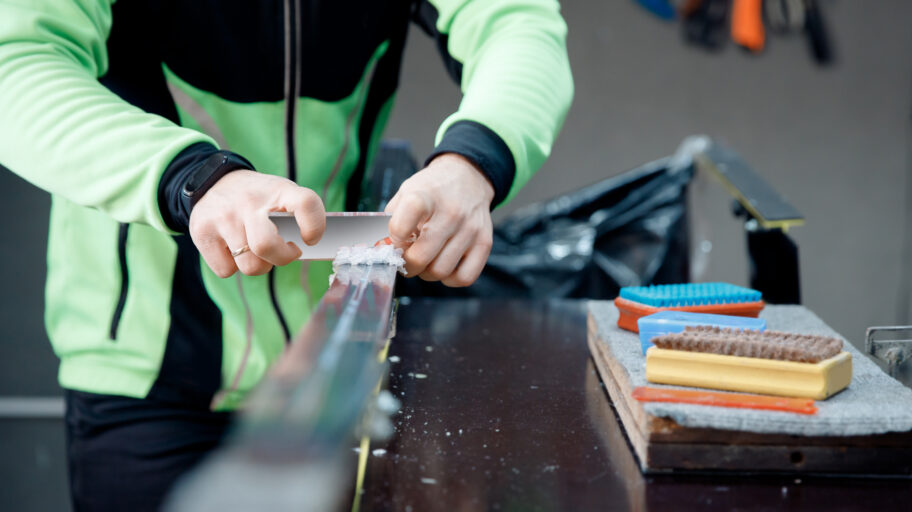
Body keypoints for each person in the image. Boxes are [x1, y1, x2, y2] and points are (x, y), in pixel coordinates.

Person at [0, 0, 573, 510]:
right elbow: (16, 61)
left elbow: (515, 22)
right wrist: (192, 177)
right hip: (147, 379)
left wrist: (472, 160)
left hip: (340, 368)